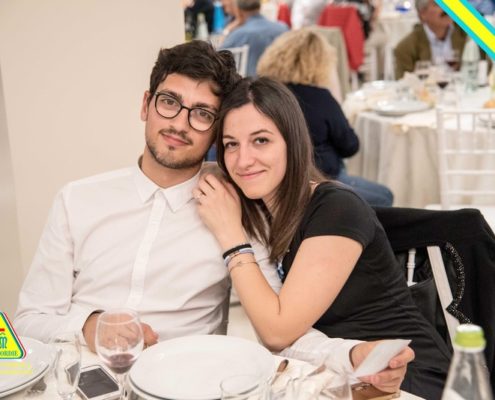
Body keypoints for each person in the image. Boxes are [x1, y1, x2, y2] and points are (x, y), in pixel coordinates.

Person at [14, 40, 411, 393]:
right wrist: (90, 325)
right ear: (146, 105)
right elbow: (31, 319)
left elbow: (279, 329)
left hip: (185, 384)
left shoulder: (235, 207)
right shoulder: (77, 199)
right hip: (74, 382)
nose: (179, 123)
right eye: (169, 102)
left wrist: (351, 355)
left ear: (215, 133)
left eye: (202, 114)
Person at [194, 77, 452, 399]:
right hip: (335, 374)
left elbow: (276, 332)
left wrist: (231, 238)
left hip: (400, 376)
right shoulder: (261, 213)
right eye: (231, 144)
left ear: (293, 142)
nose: (243, 160)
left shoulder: (336, 209)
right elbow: (280, 336)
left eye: (261, 140)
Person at [257, 28, 394, 207]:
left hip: (281, 182)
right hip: (320, 180)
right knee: (385, 197)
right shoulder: (320, 98)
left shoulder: (267, 96)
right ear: (320, 63)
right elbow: (350, 146)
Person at [394, 0, 466, 78]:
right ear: (423, 14)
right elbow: (403, 82)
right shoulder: (406, 48)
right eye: (438, 5)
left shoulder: (466, 35)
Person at [221, 0, 288, 76]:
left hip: (250, 80)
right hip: (280, 79)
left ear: (238, 10)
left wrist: (227, 30)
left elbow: (219, 56)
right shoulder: (283, 28)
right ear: (259, 7)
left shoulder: (239, 34)